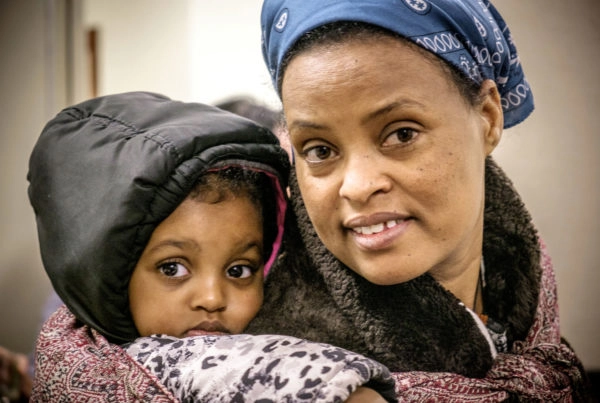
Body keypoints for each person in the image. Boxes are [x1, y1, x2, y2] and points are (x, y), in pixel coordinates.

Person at [246, 0, 593, 401]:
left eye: (401, 134)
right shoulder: (278, 371)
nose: (358, 186)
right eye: (320, 150)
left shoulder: (528, 299)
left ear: (488, 117)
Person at [27, 91, 395, 402]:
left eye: (239, 270)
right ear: (106, 269)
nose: (212, 297)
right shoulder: (114, 359)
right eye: (173, 268)